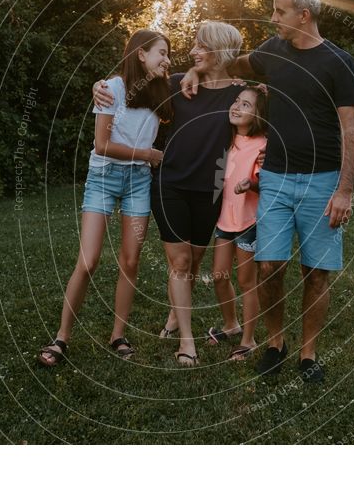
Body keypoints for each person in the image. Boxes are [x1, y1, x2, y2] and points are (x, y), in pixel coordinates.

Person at [181, 0, 354, 382]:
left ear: (304, 14)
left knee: (316, 272)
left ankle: (308, 354)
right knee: (268, 268)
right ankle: (275, 344)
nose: (272, 17)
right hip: (276, 178)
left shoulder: (338, 61)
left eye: (279, 11)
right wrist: (196, 70)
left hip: (322, 180)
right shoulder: (271, 52)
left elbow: (350, 129)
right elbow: (232, 66)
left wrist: (345, 190)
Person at [93, 21, 244, 366]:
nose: (191, 52)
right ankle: (187, 342)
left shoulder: (239, 93)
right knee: (179, 262)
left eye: (200, 47)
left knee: (195, 260)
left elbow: (258, 120)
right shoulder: (175, 84)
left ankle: (177, 315)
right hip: (170, 184)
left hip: (211, 189)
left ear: (219, 51)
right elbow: (126, 84)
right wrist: (98, 86)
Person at [37, 29, 171, 367]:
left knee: (130, 262)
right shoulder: (111, 88)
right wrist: (148, 155)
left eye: (169, 54)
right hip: (103, 177)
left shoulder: (161, 90)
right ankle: (61, 338)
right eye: (161, 52)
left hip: (138, 182)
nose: (167, 60)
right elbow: (102, 145)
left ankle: (118, 335)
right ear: (141, 54)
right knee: (89, 260)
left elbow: (203, 77)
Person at [207, 86, 268, 361]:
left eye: (246, 105)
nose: (237, 106)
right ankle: (231, 324)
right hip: (224, 219)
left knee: (246, 280)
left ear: (258, 114)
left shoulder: (264, 144)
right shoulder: (225, 137)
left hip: (249, 220)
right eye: (236, 101)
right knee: (219, 275)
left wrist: (251, 183)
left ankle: (248, 339)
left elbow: (265, 180)